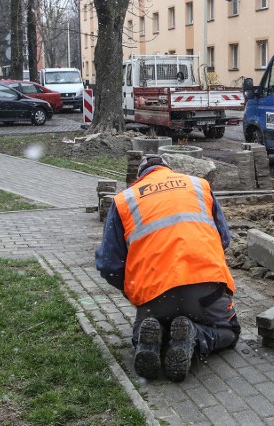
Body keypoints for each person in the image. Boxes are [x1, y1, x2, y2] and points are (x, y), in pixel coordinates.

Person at [95, 154, 240, 382]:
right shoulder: (198, 185)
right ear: (168, 169)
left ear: (139, 177)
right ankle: (196, 336)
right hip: (205, 292)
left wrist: (136, 290)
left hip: (156, 296)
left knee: (145, 328)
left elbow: (109, 264)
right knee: (230, 332)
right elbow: (224, 239)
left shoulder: (125, 199)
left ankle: (155, 337)